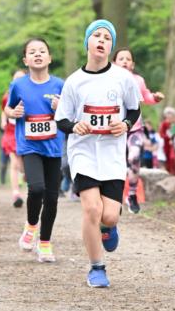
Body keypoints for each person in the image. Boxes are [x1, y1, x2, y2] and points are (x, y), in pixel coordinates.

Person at [55, 19, 140, 288]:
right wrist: (75, 125)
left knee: (109, 215)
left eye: (107, 38)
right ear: (88, 42)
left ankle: (109, 228)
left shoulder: (123, 78)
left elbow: (135, 110)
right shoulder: (74, 82)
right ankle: (97, 267)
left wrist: (125, 124)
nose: (102, 40)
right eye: (97, 36)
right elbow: (61, 119)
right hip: (83, 153)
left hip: (112, 154)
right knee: (92, 209)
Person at [5, 39, 64, 262]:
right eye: (32, 52)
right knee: (37, 188)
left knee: (52, 197)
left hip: (54, 146)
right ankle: (31, 226)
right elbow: (9, 109)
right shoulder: (18, 85)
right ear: (26, 60)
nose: (37, 55)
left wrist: (62, 108)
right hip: (29, 144)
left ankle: (45, 243)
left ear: (49, 58)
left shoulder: (60, 84)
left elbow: (71, 113)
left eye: (42, 51)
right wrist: (13, 113)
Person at [112, 46, 164, 213]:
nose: (125, 61)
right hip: (113, 130)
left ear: (132, 64)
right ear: (114, 63)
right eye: (121, 59)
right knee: (115, 164)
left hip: (134, 128)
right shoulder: (108, 80)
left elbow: (146, 96)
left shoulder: (138, 80)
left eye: (128, 59)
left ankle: (132, 194)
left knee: (134, 158)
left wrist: (154, 98)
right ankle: (114, 197)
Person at [0, 69, 26, 207]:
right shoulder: (7, 96)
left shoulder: (31, 94)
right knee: (14, 164)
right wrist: (3, 120)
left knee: (23, 167)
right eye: (16, 78)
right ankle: (16, 193)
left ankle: (26, 178)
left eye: (22, 78)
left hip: (26, 132)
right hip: (11, 132)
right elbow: (4, 110)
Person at [158, 106, 175, 175]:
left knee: (172, 158)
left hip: (173, 143)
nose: (170, 116)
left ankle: (173, 173)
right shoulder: (164, 124)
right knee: (166, 159)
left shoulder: (174, 124)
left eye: (171, 114)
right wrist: (168, 138)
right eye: (168, 114)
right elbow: (161, 134)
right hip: (165, 144)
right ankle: (168, 173)